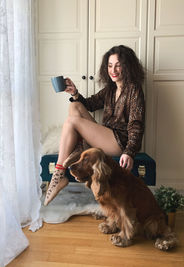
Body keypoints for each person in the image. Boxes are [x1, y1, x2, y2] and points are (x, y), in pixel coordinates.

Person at [44, 45, 145, 206]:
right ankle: (78, 149)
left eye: (118, 65)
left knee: (71, 121)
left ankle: (58, 173)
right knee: (75, 106)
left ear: (127, 66)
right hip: (105, 135)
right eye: (110, 65)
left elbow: (136, 124)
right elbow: (89, 104)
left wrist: (129, 152)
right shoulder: (110, 89)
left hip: (119, 142)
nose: (114, 70)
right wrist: (74, 93)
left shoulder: (134, 89)